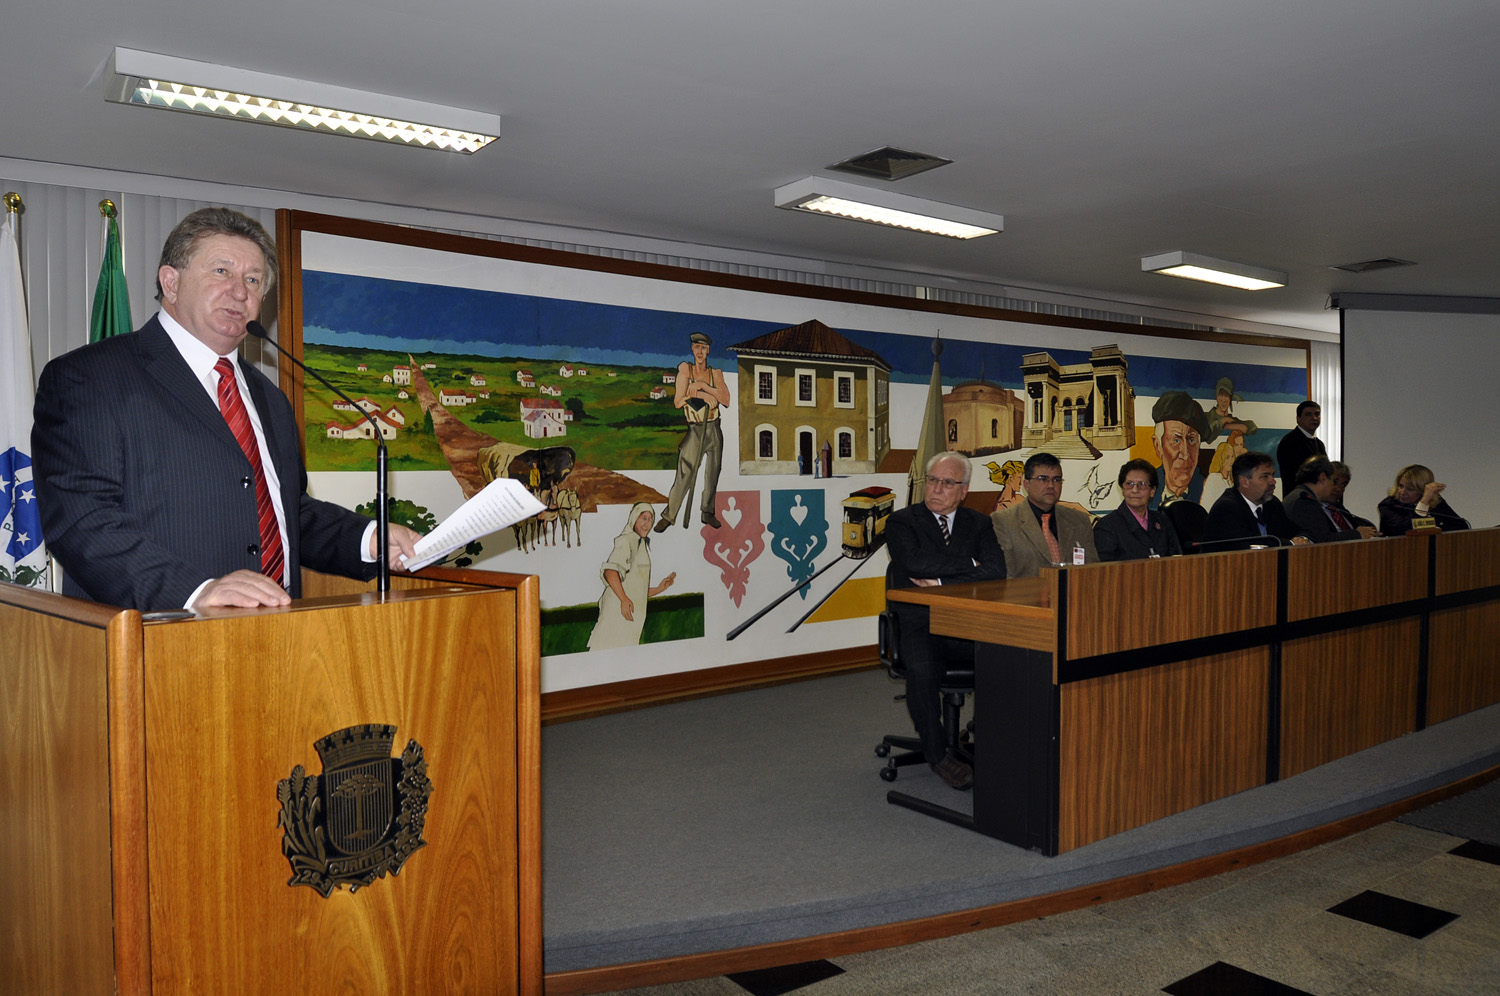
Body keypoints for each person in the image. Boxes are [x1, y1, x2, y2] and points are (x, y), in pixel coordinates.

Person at [32, 207, 420, 612]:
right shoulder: (89, 377)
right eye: (221, 272)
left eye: (253, 280)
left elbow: (287, 513)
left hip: (280, 633)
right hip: (158, 639)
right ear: (171, 282)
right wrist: (196, 592)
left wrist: (368, 539)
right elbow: (83, 521)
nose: (240, 292)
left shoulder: (269, 397)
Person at [884, 452, 1007, 790]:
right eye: (932, 481)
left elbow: (996, 571)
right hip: (919, 620)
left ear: (964, 490)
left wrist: (941, 581)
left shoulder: (980, 523)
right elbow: (913, 563)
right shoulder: (901, 522)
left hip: (967, 619)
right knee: (923, 672)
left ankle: (988, 736)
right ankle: (938, 754)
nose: (937, 489)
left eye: (947, 482)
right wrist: (970, 565)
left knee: (1007, 657)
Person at [656, 331, 731, 531]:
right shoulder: (685, 371)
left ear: (708, 351)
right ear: (692, 349)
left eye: (703, 348)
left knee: (713, 471)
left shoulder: (715, 374)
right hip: (695, 428)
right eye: (697, 347)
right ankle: (670, 515)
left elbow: (726, 400)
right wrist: (698, 396)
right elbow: (678, 402)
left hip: (713, 427)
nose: (700, 351)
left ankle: (707, 512)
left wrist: (703, 387)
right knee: (685, 471)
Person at [991, 452, 1098, 577]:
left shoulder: (1079, 520)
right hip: (1026, 594)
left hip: (1072, 593)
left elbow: (1092, 571)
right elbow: (1005, 575)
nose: (1051, 485)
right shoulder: (1003, 521)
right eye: (1043, 479)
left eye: (1056, 480)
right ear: (1026, 485)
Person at [587, 502, 676, 650]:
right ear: (634, 518)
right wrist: (623, 599)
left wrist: (660, 588)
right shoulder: (625, 541)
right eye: (644, 518)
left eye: (650, 520)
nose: (647, 524)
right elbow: (611, 572)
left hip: (632, 614)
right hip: (618, 611)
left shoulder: (641, 545)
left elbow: (636, 590)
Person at [1202, 451, 1311, 550]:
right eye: (1265, 476)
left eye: (1272, 475)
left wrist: (1302, 538)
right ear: (1244, 481)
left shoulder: (1272, 504)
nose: (1273, 481)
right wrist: (1291, 543)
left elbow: (1296, 530)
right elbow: (1251, 545)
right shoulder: (1227, 508)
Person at [1094, 459, 1182, 561]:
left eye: (1142, 484)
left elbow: (1175, 560)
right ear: (1122, 490)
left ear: (1152, 491)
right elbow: (1103, 571)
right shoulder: (1107, 526)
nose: (1135, 490)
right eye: (1129, 484)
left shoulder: (1162, 521)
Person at [1282, 456, 1379, 542]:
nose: (1335, 487)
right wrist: (1357, 534)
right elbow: (1322, 540)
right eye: (1333, 481)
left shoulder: (1301, 496)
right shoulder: (1304, 501)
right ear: (1323, 478)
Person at [1150, 391, 1209, 506]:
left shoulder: (1208, 491)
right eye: (1176, 441)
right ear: (1158, 446)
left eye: (1192, 440)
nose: (1185, 454)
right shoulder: (1143, 491)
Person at [1377, 464, 1470, 535]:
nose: (1402, 492)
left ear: (1422, 491)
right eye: (1401, 486)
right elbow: (1403, 530)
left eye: (1410, 489)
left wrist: (1438, 529)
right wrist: (1424, 502)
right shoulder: (1388, 505)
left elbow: (1461, 526)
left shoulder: (1435, 503)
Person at [1276, 401, 1325, 493]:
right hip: (1298, 499)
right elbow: (1291, 478)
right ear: (1298, 419)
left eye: (1317, 414)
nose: (1314, 418)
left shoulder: (1320, 444)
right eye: (1308, 414)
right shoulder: (1289, 442)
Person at [1325, 461, 1377, 532]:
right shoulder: (1313, 510)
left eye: (1343, 485)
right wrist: (1356, 534)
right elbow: (1324, 538)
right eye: (1335, 483)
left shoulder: (1340, 509)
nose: (1339, 489)